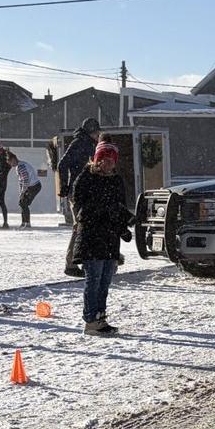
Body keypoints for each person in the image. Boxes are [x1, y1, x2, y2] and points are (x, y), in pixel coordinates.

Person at [71, 140, 133, 336]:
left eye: (110, 160)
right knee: (94, 280)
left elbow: (119, 207)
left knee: (105, 282)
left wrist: (125, 225)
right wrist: (105, 214)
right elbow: (82, 207)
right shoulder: (86, 179)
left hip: (110, 239)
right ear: (96, 160)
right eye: (103, 160)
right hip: (91, 238)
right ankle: (90, 320)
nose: (106, 164)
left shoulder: (116, 181)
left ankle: (101, 317)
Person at [60, 117, 101, 275]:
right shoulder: (79, 143)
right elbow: (62, 164)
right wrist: (65, 185)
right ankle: (71, 263)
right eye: (97, 131)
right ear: (91, 131)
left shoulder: (88, 143)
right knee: (80, 226)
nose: (98, 134)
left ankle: (84, 261)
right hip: (79, 192)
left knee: (86, 226)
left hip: (86, 191)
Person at [12, 150, 42, 227]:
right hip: (30, 186)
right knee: (22, 202)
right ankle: (23, 222)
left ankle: (27, 223)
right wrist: (21, 193)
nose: (10, 164)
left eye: (10, 162)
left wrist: (22, 193)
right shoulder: (19, 166)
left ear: (13, 159)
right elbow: (21, 181)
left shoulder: (21, 166)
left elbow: (25, 180)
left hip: (34, 186)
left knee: (24, 203)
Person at [0, 142, 13, 227]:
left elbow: (8, 167)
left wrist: (1, 173)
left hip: (0, 183)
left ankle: (3, 222)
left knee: (0, 203)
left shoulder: (4, 158)